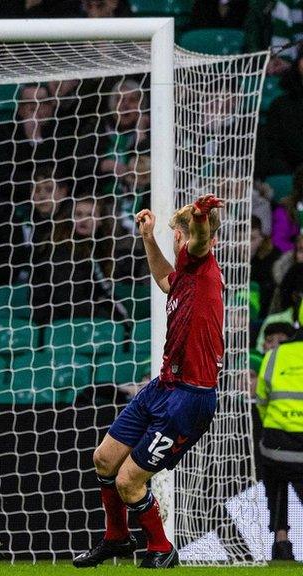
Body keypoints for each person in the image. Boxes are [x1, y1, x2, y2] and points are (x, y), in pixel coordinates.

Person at [73, 194, 224, 569]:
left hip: (190, 399)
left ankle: (161, 548)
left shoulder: (201, 263)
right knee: (104, 460)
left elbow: (200, 240)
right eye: (176, 235)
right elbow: (161, 277)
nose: (177, 241)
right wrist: (148, 237)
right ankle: (116, 539)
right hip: (163, 387)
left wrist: (201, 217)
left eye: (178, 235)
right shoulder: (184, 280)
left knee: (128, 482)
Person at [257, 309, 303, 562]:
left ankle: (281, 542)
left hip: (277, 445)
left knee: (274, 475)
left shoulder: (275, 355)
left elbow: (262, 400)